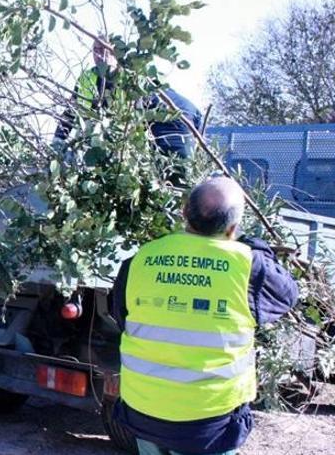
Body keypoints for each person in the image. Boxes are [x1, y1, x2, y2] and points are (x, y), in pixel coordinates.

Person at [110, 176, 299, 455]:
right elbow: (287, 296)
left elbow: (121, 316)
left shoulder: (140, 259)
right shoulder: (248, 265)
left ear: (184, 212)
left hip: (143, 412)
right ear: (233, 227)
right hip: (209, 424)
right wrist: (254, 245)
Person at [55, 38, 200, 160]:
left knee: (174, 171)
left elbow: (132, 121)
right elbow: (71, 111)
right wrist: (58, 140)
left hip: (173, 116)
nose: (99, 55)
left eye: (104, 50)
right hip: (161, 118)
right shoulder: (87, 78)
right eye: (96, 50)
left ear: (115, 53)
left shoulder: (128, 76)